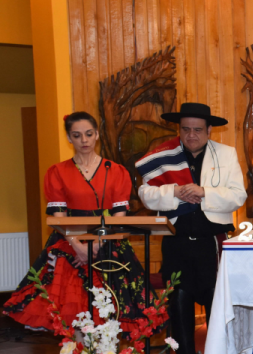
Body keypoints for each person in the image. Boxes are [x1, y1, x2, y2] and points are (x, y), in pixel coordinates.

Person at [3, 112, 153, 332]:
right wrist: (78, 247)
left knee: (111, 311)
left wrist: (96, 245)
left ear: (97, 135)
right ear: (69, 138)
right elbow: (58, 217)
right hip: (70, 242)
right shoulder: (57, 172)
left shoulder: (117, 171)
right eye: (77, 135)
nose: (84, 140)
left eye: (89, 134)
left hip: (107, 241)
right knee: (74, 312)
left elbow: (119, 215)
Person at [137, 103, 247, 354]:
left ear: (210, 130)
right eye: (185, 129)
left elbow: (238, 196)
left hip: (211, 240)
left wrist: (203, 192)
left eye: (198, 129)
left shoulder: (226, 154)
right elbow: (146, 195)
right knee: (179, 301)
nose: (192, 135)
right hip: (176, 241)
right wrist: (175, 191)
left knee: (215, 300)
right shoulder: (165, 157)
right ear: (179, 129)